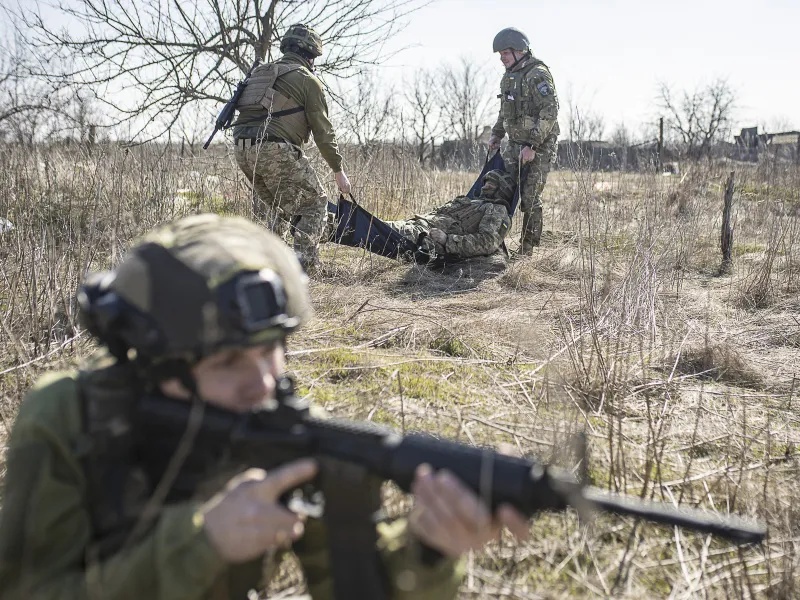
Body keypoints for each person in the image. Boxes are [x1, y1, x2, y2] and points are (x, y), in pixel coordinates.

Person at [0, 214, 530, 599]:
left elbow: (352, 587)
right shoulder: (69, 418)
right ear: (159, 366)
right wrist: (202, 541)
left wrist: (430, 551)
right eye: (228, 361)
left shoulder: (285, 430)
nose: (262, 383)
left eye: (272, 350)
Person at [231, 23, 351, 272]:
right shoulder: (307, 80)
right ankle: (306, 270)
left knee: (282, 206)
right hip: (274, 150)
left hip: (242, 150)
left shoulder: (261, 73)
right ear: (310, 55)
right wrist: (338, 171)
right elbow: (323, 131)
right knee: (315, 204)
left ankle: (269, 264)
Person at [488, 27, 560, 254]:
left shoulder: (537, 73)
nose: (502, 60)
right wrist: (497, 134)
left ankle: (527, 250)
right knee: (501, 189)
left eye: (505, 55)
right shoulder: (508, 77)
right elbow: (504, 110)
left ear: (519, 51)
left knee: (529, 197)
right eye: (500, 56)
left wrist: (533, 146)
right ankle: (492, 244)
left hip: (539, 145)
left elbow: (550, 111)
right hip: (515, 143)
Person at [386, 169, 515, 262]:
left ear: (502, 190)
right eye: (485, 183)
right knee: (380, 226)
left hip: (426, 237)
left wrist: (448, 240)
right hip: (417, 225)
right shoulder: (471, 201)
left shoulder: (498, 209)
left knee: (377, 229)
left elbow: (488, 242)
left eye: (491, 185)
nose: (485, 187)